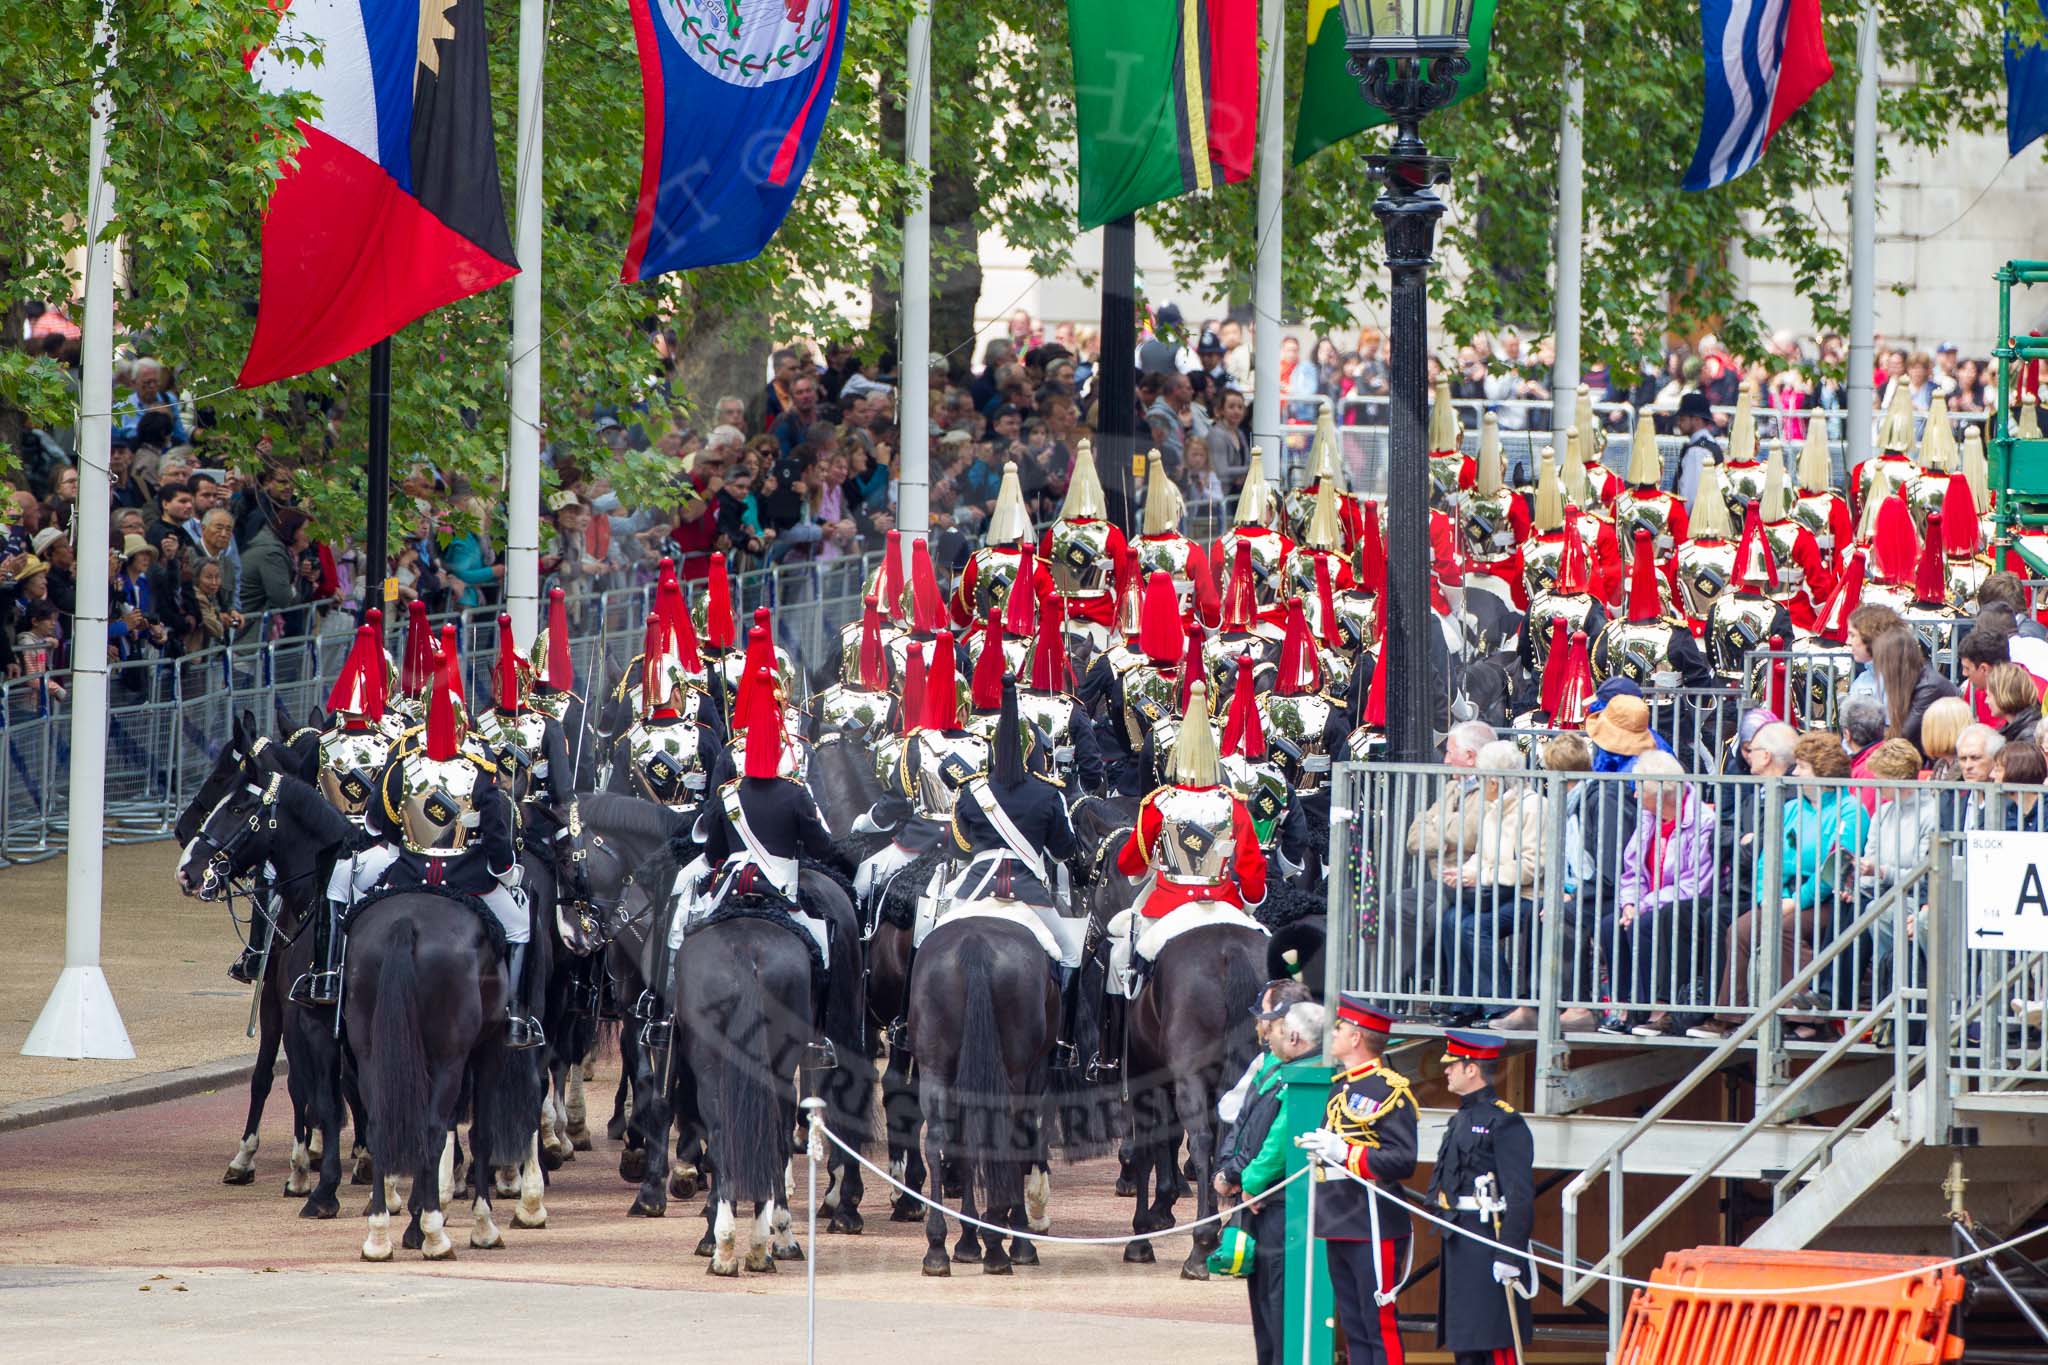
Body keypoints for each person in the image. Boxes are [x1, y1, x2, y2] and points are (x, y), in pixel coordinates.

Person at [1693, 731, 1869, 1040]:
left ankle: (1808, 1019)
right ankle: (1733, 1015)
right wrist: (1766, 897)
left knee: (1788, 926)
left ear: (1822, 770)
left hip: (1827, 901)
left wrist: (1795, 901)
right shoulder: (1791, 809)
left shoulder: (1850, 810)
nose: (1795, 773)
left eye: (1801, 766)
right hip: (1784, 895)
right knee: (1741, 930)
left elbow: (1834, 868)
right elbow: (1767, 859)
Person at [946, 678, 1084, 1064]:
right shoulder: (1049, 791)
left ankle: (906, 1024)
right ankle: (1063, 1045)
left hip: (974, 886)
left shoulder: (971, 790)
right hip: (1030, 891)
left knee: (927, 937)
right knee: (1070, 954)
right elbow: (1063, 851)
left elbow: (960, 847)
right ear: (1030, 749)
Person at [1295, 996, 1418, 1365]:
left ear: (1357, 1038)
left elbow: (1401, 1160)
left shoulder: (1389, 1091)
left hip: (1371, 1223)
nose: (1333, 1034)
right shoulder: (1342, 1087)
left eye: (1340, 1029)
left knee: (1378, 1325)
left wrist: (1343, 1151)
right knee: (1353, 1325)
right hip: (1339, 1220)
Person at [1213, 994, 1323, 1365]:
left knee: (1276, 1305)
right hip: (1255, 1192)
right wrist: (1230, 1166)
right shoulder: (1272, 1064)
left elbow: (1277, 1140)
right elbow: (1241, 1120)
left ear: (1292, 1035)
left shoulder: (1298, 1072)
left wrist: (1249, 1181)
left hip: (1274, 1200)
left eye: (1273, 1024)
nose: (1263, 1030)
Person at [1427, 1031, 1534, 1365]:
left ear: (1471, 1069)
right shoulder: (1459, 1119)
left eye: (1452, 1065)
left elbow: (1519, 1196)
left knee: (1494, 1343)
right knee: (1466, 1345)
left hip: (1490, 1241)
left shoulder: (1504, 1121)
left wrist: (1510, 1255)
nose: (1446, 1071)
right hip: (1460, 1240)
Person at [1604, 750, 1718, 1037]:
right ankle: (1626, 1008)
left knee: (1646, 924)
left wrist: (1643, 904)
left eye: (1638, 790)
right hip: (1648, 899)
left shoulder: (1703, 820)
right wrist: (1630, 902)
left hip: (1685, 901)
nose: (1633, 797)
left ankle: (1655, 1008)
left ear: (1661, 794)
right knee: (1610, 925)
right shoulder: (1648, 817)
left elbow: (1696, 882)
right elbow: (1632, 869)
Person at [1671, 390, 1723, 511]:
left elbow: (1689, 496)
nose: (1679, 423)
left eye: (1683, 419)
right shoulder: (1710, 443)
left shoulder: (1696, 451)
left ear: (1696, 420)